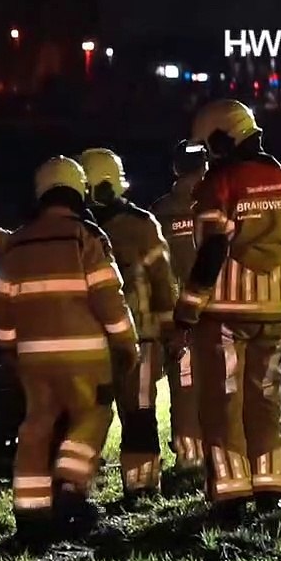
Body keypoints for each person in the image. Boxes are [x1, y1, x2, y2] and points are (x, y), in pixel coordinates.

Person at [172, 99, 281, 520]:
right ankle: (271, 484)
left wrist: (186, 312)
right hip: (273, 313)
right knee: (265, 399)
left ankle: (232, 494)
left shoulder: (218, 187)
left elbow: (212, 252)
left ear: (222, 139)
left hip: (223, 317)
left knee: (223, 404)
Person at [0, 156, 139, 545]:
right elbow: (109, 296)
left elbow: (2, 304)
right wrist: (126, 343)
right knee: (91, 416)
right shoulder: (84, 237)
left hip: (32, 360)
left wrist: (9, 351)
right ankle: (72, 493)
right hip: (84, 357)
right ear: (80, 193)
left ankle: (31, 515)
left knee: (36, 426)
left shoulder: (17, 242)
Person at [81, 148, 178, 504]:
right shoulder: (142, 224)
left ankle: (79, 491)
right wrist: (171, 332)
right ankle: (142, 489)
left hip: (105, 343)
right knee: (138, 416)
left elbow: (162, 282)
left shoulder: (82, 232)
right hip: (140, 340)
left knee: (98, 418)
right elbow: (163, 282)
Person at [151, 140, 209, 474]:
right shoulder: (219, 203)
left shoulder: (158, 213)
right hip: (218, 312)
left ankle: (189, 456)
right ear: (205, 165)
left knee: (184, 387)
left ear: (175, 169)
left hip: (177, 319)